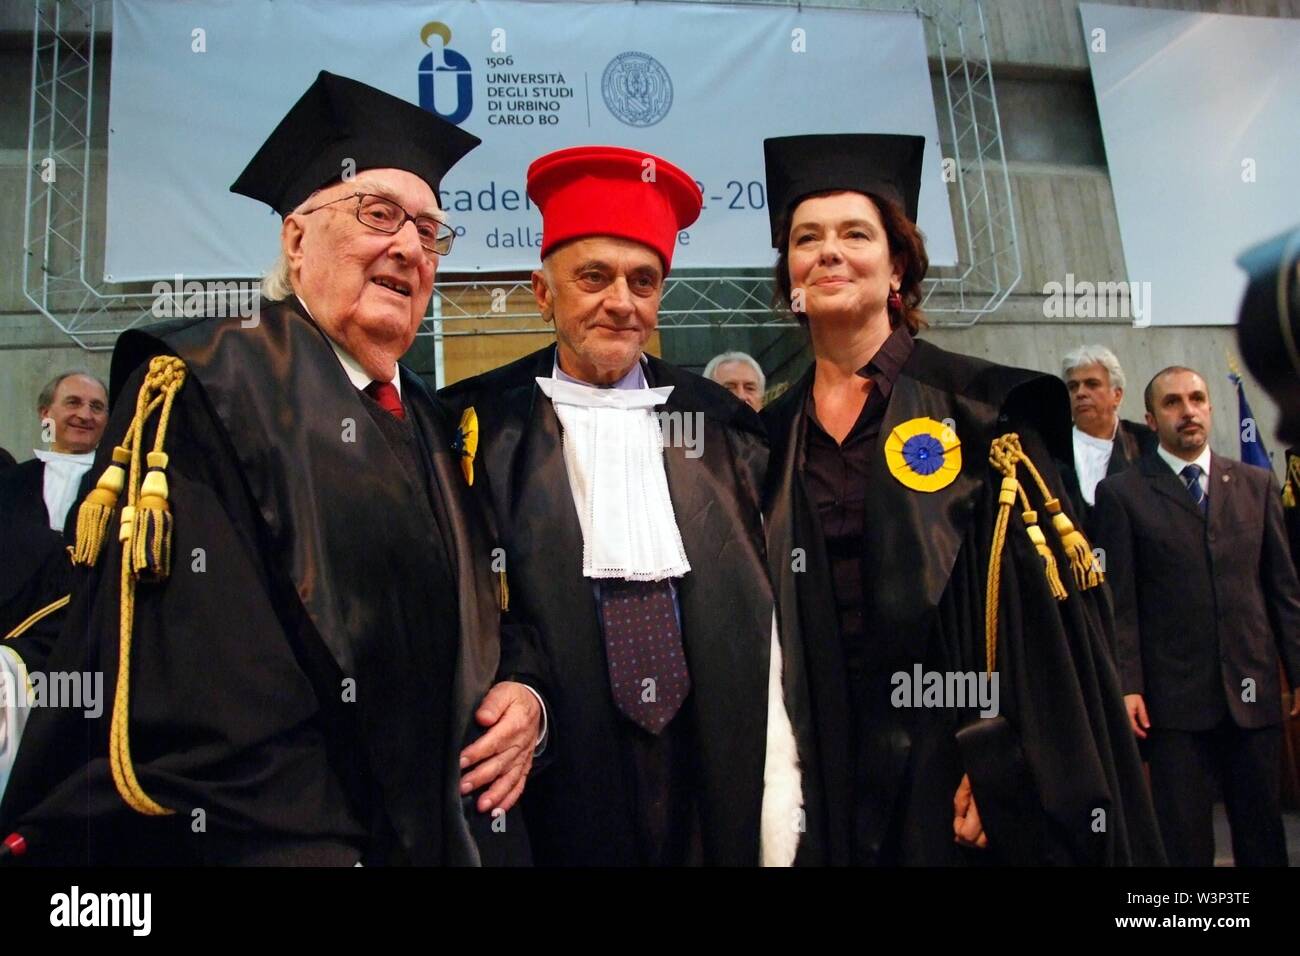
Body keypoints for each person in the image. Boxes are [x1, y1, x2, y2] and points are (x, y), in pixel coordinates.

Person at [0, 71, 546, 865]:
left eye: (429, 232)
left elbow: (501, 612)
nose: (407, 246)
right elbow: (215, 688)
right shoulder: (209, 388)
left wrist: (524, 695)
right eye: (379, 213)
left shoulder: (436, 426)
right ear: (296, 240)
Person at [759, 132, 1163, 865]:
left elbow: (1044, 626)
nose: (827, 252)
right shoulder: (763, 438)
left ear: (897, 266)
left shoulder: (984, 411)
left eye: (855, 233)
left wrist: (1007, 751)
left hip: (954, 757)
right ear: (788, 271)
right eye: (805, 238)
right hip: (821, 758)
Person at [440, 145, 803, 867]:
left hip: (708, 753)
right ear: (544, 293)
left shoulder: (722, 425)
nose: (621, 301)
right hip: (558, 760)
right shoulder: (477, 426)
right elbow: (467, 602)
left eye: (643, 281)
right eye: (593, 277)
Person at [1094, 366, 1300, 866]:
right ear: (1150, 417)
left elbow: (1284, 592)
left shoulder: (1255, 484)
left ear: (1209, 407)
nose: (1187, 410)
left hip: (1252, 698)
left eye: (1197, 398)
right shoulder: (1122, 494)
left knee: (1262, 836)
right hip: (1173, 706)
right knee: (1183, 842)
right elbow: (1119, 603)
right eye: (1172, 403)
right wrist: (1128, 685)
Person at [0, 372, 108, 646]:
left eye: (97, 407)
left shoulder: (124, 484)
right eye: (73, 403)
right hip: (15, 634)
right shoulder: (9, 483)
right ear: (45, 413)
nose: (85, 415)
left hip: (93, 633)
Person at [1056, 345, 1155, 531]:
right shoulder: (1050, 447)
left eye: (1092, 384)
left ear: (1116, 395)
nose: (1080, 393)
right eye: (1072, 387)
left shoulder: (1147, 443)